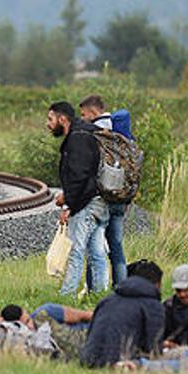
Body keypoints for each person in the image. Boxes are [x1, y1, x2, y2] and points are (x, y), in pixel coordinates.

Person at [46, 101, 109, 294]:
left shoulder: (77, 139)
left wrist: (68, 205)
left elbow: (79, 176)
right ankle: (99, 293)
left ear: (62, 119)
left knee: (75, 250)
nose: (48, 124)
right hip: (101, 199)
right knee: (96, 251)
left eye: (50, 119)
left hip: (87, 203)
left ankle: (68, 293)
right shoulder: (87, 133)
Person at [79, 259, 165, 369]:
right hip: (119, 363)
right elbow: (154, 349)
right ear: (157, 284)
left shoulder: (107, 301)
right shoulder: (153, 305)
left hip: (88, 360)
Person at [79, 94, 127, 289]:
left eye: (83, 114)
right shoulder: (120, 128)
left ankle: (94, 289)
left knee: (94, 245)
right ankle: (121, 287)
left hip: (101, 197)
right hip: (120, 194)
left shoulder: (97, 131)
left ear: (93, 112)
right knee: (116, 245)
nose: (82, 118)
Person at [0, 303, 93, 360]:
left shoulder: (46, 312)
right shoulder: (18, 339)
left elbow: (85, 315)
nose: (30, 327)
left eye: (28, 321)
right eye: (24, 325)